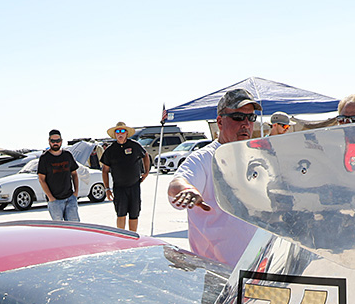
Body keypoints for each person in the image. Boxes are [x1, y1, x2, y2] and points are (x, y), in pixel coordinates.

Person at [167, 87, 261, 266]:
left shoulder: (257, 158)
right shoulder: (203, 159)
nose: (246, 124)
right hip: (216, 272)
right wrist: (187, 190)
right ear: (219, 122)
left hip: (257, 269)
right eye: (238, 117)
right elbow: (177, 183)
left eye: (251, 118)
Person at [100, 122, 151, 232]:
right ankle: (121, 237)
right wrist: (107, 189)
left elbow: (145, 155)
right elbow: (105, 170)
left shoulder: (135, 145)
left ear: (127, 133)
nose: (120, 134)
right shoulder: (110, 150)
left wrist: (146, 172)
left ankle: (132, 237)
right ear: (115, 134)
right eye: (117, 131)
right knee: (121, 214)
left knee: (134, 214)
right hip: (119, 188)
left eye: (122, 131)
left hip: (134, 186)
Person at [37, 130, 80, 222]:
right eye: (53, 141)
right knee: (59, 227)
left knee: (75, 226)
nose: (55, 143)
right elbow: (41, 179)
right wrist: (50, 197)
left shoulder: (67, 155)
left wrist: (76, 192)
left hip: (70, 198)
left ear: (61, 141)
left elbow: (74, 174)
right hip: (55, 201)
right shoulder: (44, 158)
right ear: (49, 141)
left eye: (58, 140)